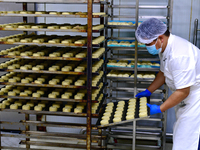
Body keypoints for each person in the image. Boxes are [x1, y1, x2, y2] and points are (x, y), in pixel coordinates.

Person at [135, 18, 200, 150]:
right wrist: (149, 91)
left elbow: (183, 91)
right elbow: (163, 73)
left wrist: (159, 109)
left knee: (185, 142)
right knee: (181, 134)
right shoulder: (165, 48)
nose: (147, 47)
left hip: (195, 99)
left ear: (160, 38)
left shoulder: (179, 55)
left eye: (148, 44)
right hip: (186, 96)